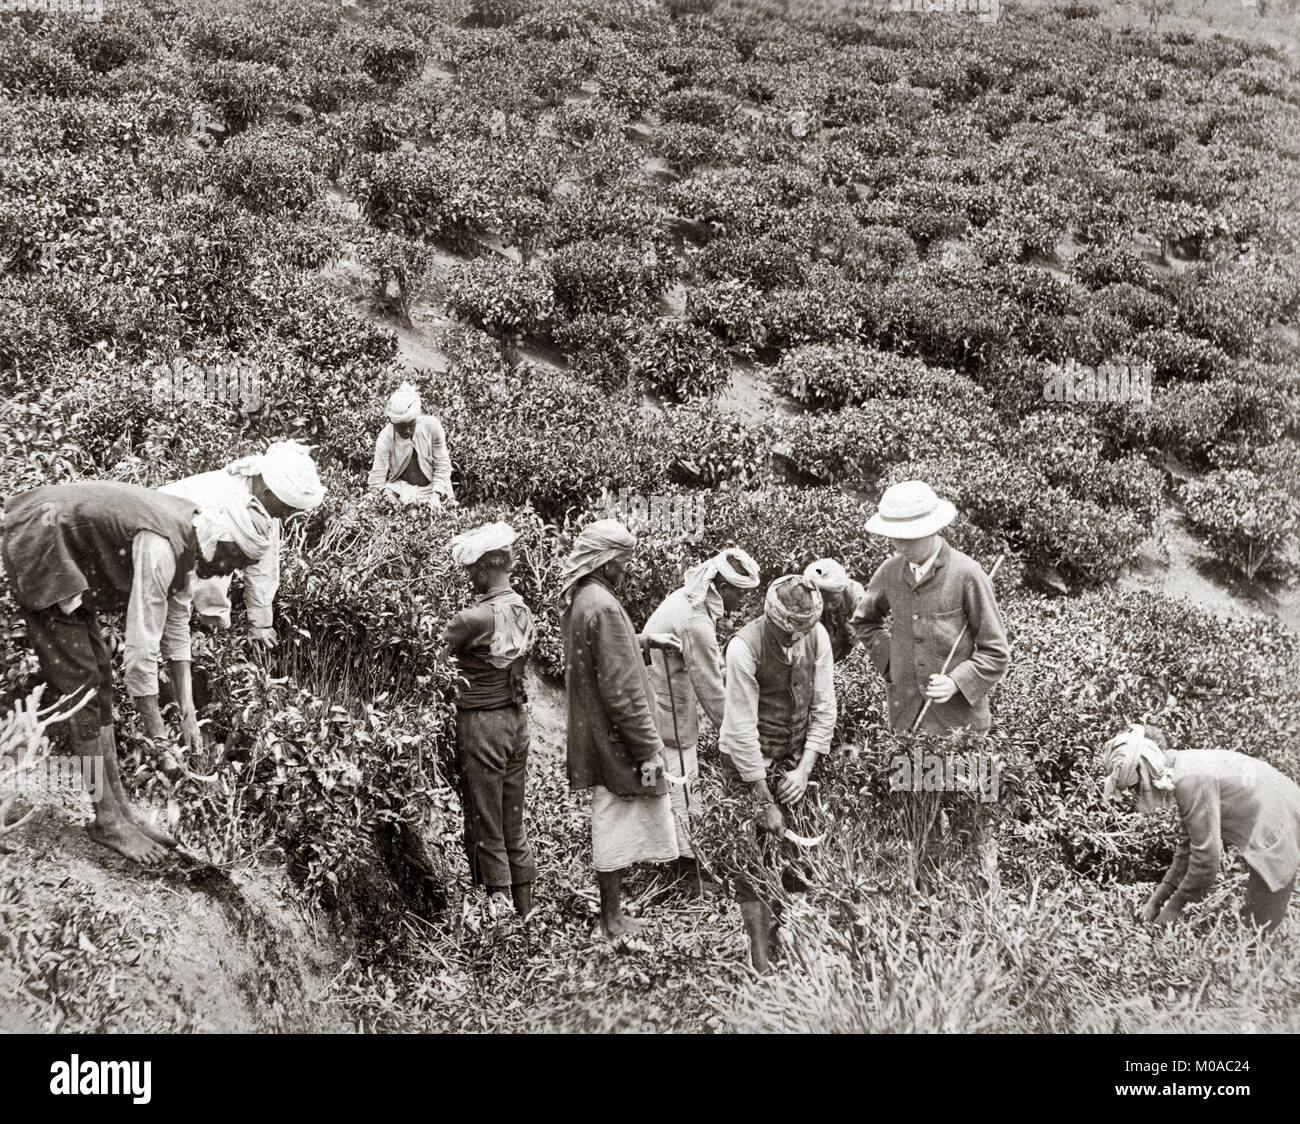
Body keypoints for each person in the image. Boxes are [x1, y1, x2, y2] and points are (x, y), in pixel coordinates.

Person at [1, 481, 271, 865]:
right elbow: (141, 653)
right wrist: (159, 741)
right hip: (42, 539)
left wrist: (188, 714)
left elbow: (176, 631)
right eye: (234, 561)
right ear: (222, 542)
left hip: (62, 547)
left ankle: (120, 812)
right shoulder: (162, 546)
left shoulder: (192, 541)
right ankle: (108, 818)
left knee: (100, 680)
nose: (229, 572)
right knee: (82, 687)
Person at [851, 480, 1009, 888]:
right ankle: (923, 905)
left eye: (909, 536)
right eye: (894, 536)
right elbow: (864, 621)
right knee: (916, 825)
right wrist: (892, 665)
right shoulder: (888, 573)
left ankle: (976, 908)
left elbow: (996, 652)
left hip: (964, 730)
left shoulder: (968, 575)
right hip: (908, 726)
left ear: (934, 529)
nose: (900, 544)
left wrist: (958, 682)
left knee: (971, 826)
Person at [560, 519, 682, 939]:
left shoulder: (584, 598)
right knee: (613, 821)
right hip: (615, 738)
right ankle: (611, 920)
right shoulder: (605, 606)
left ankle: (613, 913)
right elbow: (623, 691)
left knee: (613, 818)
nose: (625, 571)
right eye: (622, 563)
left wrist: (647, 641)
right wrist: (650, 749)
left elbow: (610, 649)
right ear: (607, 561)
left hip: (596, 731)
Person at [720, 574, 836, 972]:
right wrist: (763, 800)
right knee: (753, 861)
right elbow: (739, 731)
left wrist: (804, 770)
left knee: (798, 857)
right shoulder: (743, 649)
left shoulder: (818, 638)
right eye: (786, 632)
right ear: (770, 619)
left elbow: (824, 708)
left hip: (794, 761)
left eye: (799, 632)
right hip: (747, 763)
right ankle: (760, 958)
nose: (793, 639)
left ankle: (785, 939)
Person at [1103, 724, 1300, 935]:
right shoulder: (1181, 767)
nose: (1136, 794)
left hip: (1280, 821)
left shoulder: (1189, 780)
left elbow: (1206, 863)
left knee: (1257, 929)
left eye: (1135, 787)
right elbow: (1186, 849)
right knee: (1258, 924)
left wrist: (1172, 909)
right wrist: (1156, 901)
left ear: (1145, 770)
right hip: (1280, 812)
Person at [642, 547, 761, 894]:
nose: (742, 600)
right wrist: (739, 736)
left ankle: (674, 860)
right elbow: (710, 688)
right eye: (739, 592)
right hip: (671, 712)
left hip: (663, 697)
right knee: (682, 785)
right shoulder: (696, 620)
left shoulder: (691, 598)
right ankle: (687, 873)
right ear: (722, 587)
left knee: (674, 783)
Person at [442, 521, 537, 922]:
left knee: (486, 821)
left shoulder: (473, 618)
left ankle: (500, 922)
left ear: (483, 570)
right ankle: (526, 915)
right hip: (517, 723)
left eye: (471, 572)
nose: (470, 579)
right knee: (511, 821)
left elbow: (431, 646)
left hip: (482, 724)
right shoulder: (522, 608)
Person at [160, 440, 325, 647]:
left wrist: (261, 623)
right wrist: (213, 622)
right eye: (285, 510)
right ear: (267, 493)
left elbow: (264, 560)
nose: (284, 517)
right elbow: (211, 571)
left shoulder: (264, 503)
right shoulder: (224, 501)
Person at [367, 382, 454, 509]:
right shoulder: (385, 437)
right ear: (392, 422)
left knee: (445, 513)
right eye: (401, 426)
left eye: (411, 424)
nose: (407, 431)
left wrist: (436, 496)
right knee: (374, 500)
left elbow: (443, 465)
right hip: (402, 488)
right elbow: (377, 480)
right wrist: (388, 499)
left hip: (433, 487)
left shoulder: (432, 426)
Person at [803, 558, 866, 663]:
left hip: (847, 651)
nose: (828, 606)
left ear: (841, 591)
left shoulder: (855, 594)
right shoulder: (805, 597)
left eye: (833, 600)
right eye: (822, 600)